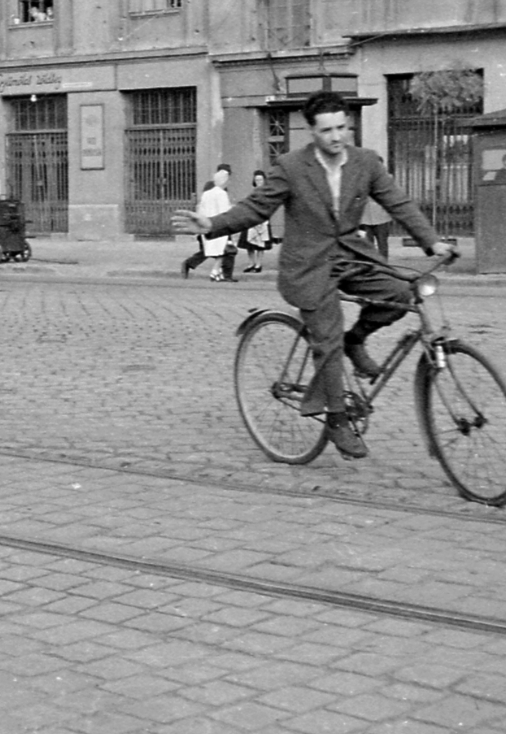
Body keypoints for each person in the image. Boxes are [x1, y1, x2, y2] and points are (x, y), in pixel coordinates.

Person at [173, 93, 454, 460]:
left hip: (351, 256)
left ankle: (357, 341)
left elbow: (398, 202)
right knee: (327, 336)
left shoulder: (365, 162)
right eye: (327, 130)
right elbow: (257, 208)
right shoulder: (292, 166)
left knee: (401, 294)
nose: (337, 137)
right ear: (312, 131)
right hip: (307, 266)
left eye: (342, 128)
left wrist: (431, 242)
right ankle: (336, 418)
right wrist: (212, 223)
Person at [180, 165, 236, 282]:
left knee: (217, 251)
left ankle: (220, 274)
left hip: (208, 224)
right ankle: (218, 273)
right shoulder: (221, 193)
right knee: (223, 251)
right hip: (220, 225)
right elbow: (225, 212)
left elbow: (202, 209)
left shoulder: (207, 193)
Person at [238, 169, 273, 272]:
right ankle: (251, 263)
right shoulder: (252, 192)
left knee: (261, 244)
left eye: (260, 180)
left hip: (262, 219)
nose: (259, 182)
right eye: (257, 180)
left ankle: (258, 264)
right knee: (250, 244)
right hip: (251, 219)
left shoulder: (267, 192)